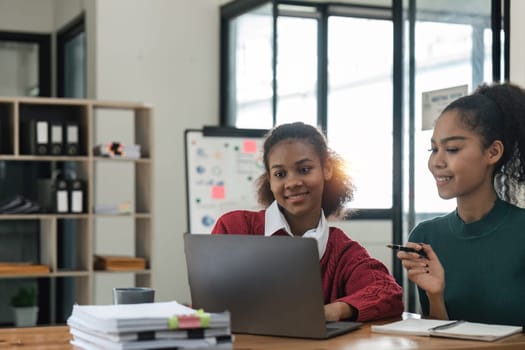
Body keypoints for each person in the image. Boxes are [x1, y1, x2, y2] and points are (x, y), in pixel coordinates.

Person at [211, 121, 404, 322]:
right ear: (269, 180)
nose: (293, 183)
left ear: (326, 169)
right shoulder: (234, 228)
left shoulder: (344, 251)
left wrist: (333, 311)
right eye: (280, 174)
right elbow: (212, 295)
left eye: (304, 170)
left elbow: (388, 292)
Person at [397, 82, 525, 326]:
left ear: (493, 152)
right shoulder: (426, 237)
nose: (437, 161)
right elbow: (438, 339)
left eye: (452, 149)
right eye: (433, 149)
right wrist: (435, 296)